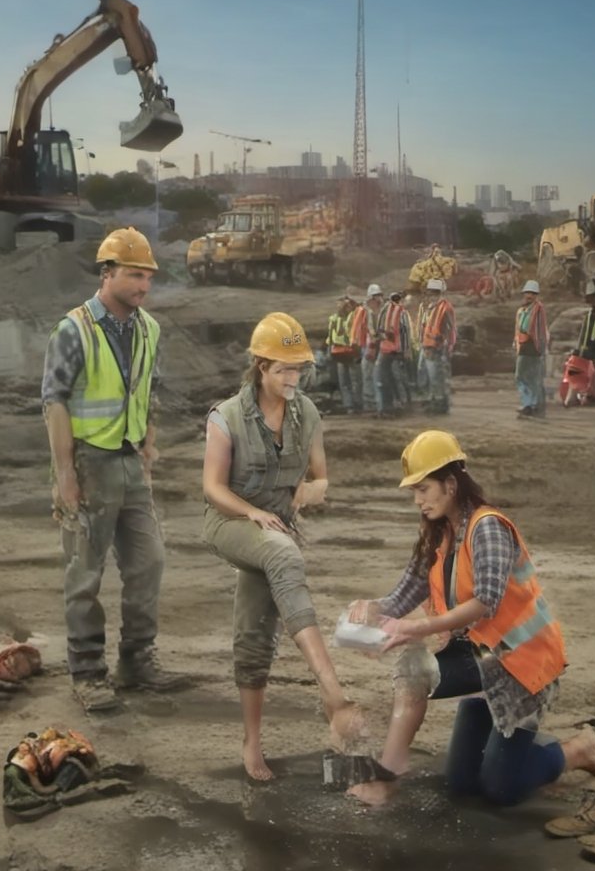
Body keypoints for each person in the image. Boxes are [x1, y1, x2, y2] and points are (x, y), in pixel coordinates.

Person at [345, 430, 595, 807]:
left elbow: (485, 601)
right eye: (414, 492)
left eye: (423, 489)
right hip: (484, 659)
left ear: (450, 484)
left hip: (522, 663)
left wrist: (416, 628)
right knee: (461, 783)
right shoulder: (438, 534)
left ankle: (577, 751)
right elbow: (405, 594)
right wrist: (374, 609)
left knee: (500, 788)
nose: (417, 500)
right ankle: (480, 720)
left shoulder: (486, 527)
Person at [202, 312, 363, 781]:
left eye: (298, 370)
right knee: (282, 554)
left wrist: (312, 491)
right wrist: (252, 512)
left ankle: (252, 742)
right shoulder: (226, 416)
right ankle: (331, 691)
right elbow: (212, 488)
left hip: (279, 527)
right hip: (229, 521)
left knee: (253, 633)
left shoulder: (307, 414)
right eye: (283, 370)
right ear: (259, 366)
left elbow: (321, 478)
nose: (292, 379)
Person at [42, 226, 184, 713]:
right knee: (84, 572)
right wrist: (65, 474)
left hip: (129, 463)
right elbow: (53, 401)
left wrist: (149, 446)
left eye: (147, 276)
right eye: (133, 275)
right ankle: (87, 672)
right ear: (107, 274)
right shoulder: (74, 328)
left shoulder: (149, 328)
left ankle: (137, 660)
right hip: (88, 462)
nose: (143, 285)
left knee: (149, 562)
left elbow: (148, 390)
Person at [420, 277, 457, 414]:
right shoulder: (431, 308)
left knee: (438, 377)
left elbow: (450, 330)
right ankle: (435, 400)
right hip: (429, 346)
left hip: (437, 348)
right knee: (432, 377)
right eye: (431, 293)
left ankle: (441, 404)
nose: (432, 296)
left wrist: (445, 347)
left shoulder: (445, 307)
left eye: (435, 293)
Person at [513, 280, 549, 419]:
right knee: (521, 376)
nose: (529, 295)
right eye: (528, 293)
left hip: (533, 347)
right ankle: (529, 403)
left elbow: (541, 330)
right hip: (524, 346)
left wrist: (541, 348)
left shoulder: (538, 309)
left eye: (532, 293)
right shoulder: (523, 310)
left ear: (536, 295)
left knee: (532, 378)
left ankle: (532, 405)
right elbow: (518, 328)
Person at [375, 291, 412, 417]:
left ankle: (388, 405)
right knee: (396, 378)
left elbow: (379, 330)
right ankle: (400, 403)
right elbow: (406, 331)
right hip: (397, 350)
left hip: (387, 349)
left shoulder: (384, 311)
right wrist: (407, 349)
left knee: (385, 378)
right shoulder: (401, 312)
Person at [350, 283, 383, 413]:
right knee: (369, 374)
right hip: (368, 346)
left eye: (379, 296)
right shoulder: (364, 311)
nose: (378, 299)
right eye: (376, 297)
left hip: (377, 346)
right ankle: (370, 402)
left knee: (375, 375)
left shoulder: (379, 311)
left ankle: (375, 401)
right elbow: (362, 330)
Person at [326, 295, 361, 414]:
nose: (343, 307)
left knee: (353, 379)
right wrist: (329, 350)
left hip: (350, 351)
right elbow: (330, 337)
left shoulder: (353, 318)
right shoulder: (334, 319)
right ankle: (349, 404)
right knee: (345, 380)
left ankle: (356, 403)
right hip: (339, 352)